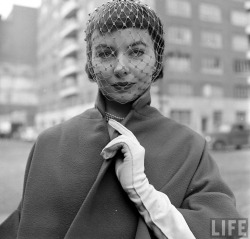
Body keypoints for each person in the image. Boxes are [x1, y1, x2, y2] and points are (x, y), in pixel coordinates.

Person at [0, 0, 241, 238]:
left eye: (136, 52)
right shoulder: (49, 143)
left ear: (157, 58)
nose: (120, 67)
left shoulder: (190, 146)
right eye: (105, 53)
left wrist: (146, 196)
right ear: (90, 63)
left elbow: (232, 229)